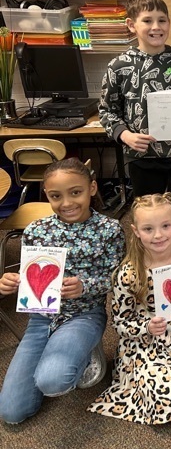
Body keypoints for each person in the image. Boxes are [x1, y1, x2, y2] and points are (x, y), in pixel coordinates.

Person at [0, 158, 125, 424]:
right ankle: (65, 352)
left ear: (92, 188)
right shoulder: (36, 230)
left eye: (75, 192)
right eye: (56, 196)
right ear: (46, 194)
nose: (67, 203)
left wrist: (85, 286)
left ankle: (84, 352)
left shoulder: (110, 230)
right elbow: (30, 274)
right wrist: (11, 281)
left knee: (53, 380)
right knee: (11, 413)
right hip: (40, 316)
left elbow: (119, 279)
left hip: (84, 314)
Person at [89, 193, 171, 424]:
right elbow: (119, 323)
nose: (158, 235)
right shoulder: (129, 273)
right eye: (148, 229)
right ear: (136, 231)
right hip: (145, 343)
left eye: (165, 226)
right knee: (159, 393)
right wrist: (146, 327)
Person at [99, 0, 171, 245]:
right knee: (149, 217)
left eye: (162, 20)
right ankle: (151, 261)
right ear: (131, 25)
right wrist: (125, 135)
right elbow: (107, 111)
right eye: (147, 20)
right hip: (143, 157)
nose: (156, 27)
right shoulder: (119, 66)